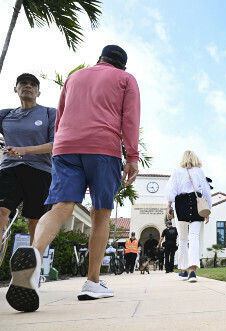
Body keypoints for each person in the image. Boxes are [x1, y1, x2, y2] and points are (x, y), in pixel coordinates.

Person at [6, 45, 141, 312]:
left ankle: (35, 253)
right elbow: (130, 118)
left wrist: (60, 147)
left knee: (61, 207)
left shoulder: (75, 77)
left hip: (65, 147)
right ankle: (92, 282)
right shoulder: (126, 79)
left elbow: (60, 118)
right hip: (103, 148)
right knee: (100, 212)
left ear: (99, 59)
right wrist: (133, 156)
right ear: (121, 66)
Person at [0, 73, 56, 246]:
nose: (28, 86)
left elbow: (55, 144)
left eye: (33, 84)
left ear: (38, 92)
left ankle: (33, 268)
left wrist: (23, 150)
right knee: (1, 212)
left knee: (35, 221)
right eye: (23, 83)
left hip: (40, 171)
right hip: (9, 170)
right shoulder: (5, 114)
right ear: (15, 89)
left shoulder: (49, 113)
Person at [165, 150, 212, 283]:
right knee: (194, 237)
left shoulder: (177, 171)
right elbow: (206, 191)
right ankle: (192, 271)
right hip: (196, 203)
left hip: (180, 204)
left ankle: (184, 270)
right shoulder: (199, 171)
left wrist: (169, 206)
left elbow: (171, 191)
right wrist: (208, 210)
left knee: (183, 239)